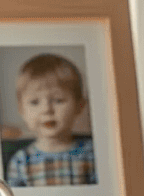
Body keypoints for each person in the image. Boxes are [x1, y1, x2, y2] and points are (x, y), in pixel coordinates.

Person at [6, 53, 96, 186]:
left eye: (58, 100)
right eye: (35, 102)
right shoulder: (21, 161)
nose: (46, 110)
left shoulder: (92, 154)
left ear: (79, 106)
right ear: (22, 110)